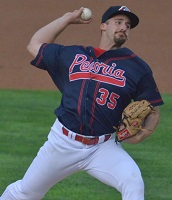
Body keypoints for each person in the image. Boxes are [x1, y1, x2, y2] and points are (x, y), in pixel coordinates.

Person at [0, 5, 164, 200]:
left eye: (127, 25)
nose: (123, 28)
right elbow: (34, 44)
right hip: (63, 143)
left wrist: (142, 134)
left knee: (133, 181)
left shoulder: (137, 67)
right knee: (26, 193)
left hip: (103, 147)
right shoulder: (75, 55)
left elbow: (152, 110)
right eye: (118, 22)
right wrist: (67, 19)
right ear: (103, 26)